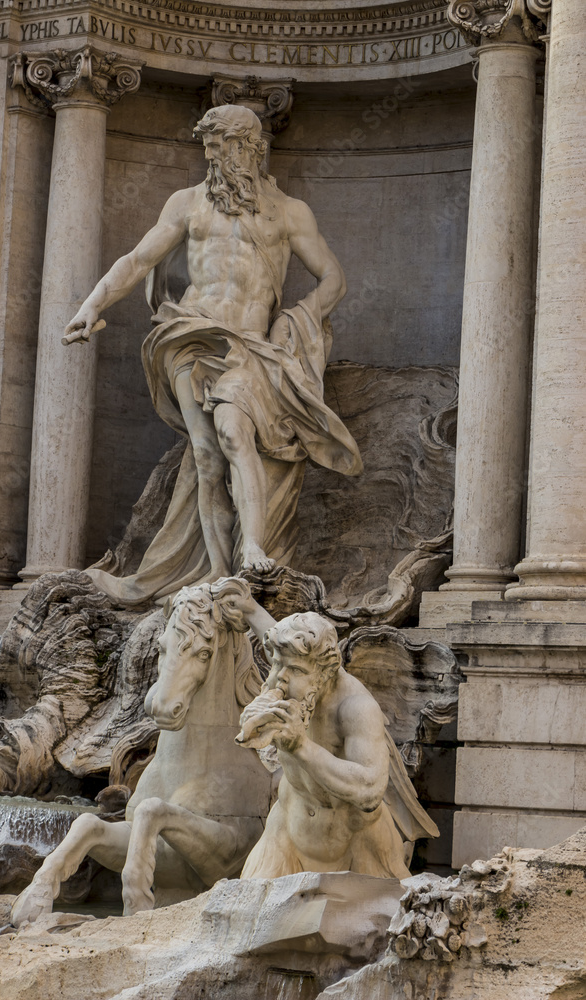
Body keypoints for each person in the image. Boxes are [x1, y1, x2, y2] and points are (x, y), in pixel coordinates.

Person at [65, 104, 362, 606]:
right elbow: (139, 260)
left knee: (232, 430)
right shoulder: (186, 204)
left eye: (220, 148)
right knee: (206, 455)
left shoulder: (289, 212)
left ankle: (252, 546)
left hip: (249, 346)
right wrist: (91, 305)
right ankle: (220, 569)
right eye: (207, 149)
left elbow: (333, 277)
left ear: (249, 147)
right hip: (190, 335)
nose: (212, 159)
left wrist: (299, 318)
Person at [226, 592, 439, 879]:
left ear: (325, 672)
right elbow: (278, 647)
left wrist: (300, 746)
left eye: (294, 670)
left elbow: (369, 789)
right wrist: (248, 606)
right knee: (243, 913)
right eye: (276, 664)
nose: (278, 679)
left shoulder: (356, 708)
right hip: (287, 833)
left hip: (357, 845)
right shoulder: (293, 671)